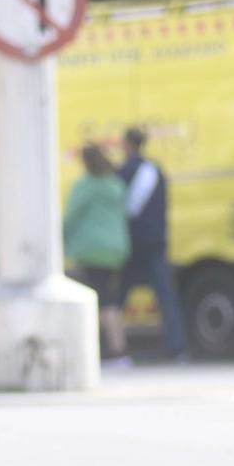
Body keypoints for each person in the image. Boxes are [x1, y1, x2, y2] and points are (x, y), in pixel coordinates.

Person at [117, 126, 186, 362]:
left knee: (117, 298)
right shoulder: (154, 169)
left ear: (127, 144)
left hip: (133, 243)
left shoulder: (124, 171)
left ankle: (111, 347)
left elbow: (123, 208)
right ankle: (176, 347)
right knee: (165, 296)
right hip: (156, 241)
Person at [65, 143, 132, 367]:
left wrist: (60, 241)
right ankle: (118, 349)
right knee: (111, 301)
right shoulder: (115, 184)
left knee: (103, 303)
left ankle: (115, 351)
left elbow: (71, 217)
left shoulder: (85, 186)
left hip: (93, 250)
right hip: (117, 250)